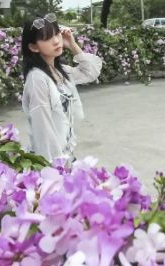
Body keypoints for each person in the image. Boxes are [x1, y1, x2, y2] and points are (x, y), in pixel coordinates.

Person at [20, 13, 103, 163]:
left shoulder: (60, 71)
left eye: (57, 34)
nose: (56, 41)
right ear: (33, 47)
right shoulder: (37, 78)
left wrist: (72, 45)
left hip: (67, 156)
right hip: (51, 161)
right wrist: (56, 167)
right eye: (47, 38)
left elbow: (90, 72)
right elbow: (43, 130)